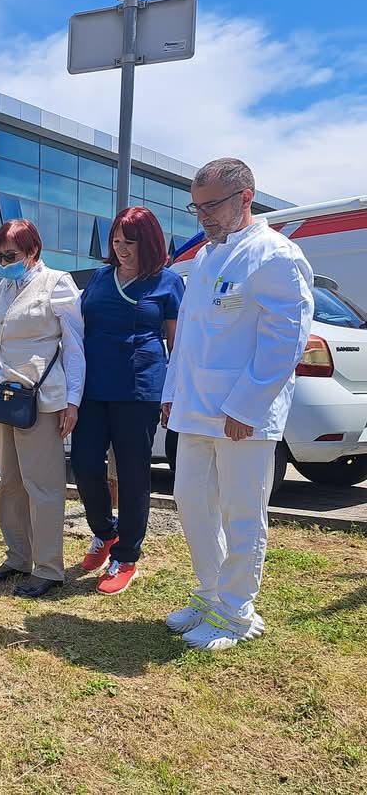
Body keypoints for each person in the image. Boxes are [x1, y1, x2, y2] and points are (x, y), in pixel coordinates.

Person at [163, 158, 313, 650]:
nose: (202, 215)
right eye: (196, 206)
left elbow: (284, 339)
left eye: (211, 205)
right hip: (195, 409)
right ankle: (209, 594)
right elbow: (186, 339)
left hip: (241, 415)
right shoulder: (207, 258)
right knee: (191, 501)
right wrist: (170, 394)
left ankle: (237, 612)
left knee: (242, 510)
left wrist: (246, 407)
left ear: (245, 197)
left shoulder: (274, 255)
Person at [71, 207, 185, 594]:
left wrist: (173, 393)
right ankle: (106, 533)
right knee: (85, 464)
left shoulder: (167, 282)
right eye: (116, 241)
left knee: (134, 474)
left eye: (130, 242)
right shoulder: (101, 278)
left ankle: (127, 555)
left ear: (149, 242)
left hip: (139, 389)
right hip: (92, 387)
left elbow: (178, 344)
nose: (121, 249)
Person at [0, 219, 85, 598]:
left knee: (44, 485)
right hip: (1, 398)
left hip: (40, 400)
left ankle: (49, 567)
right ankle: (18, 557)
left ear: (32, 251)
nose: (3, 262)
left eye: (10, 255)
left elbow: (74, 346)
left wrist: (73, 400)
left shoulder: (58, 284)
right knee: (10, 483)